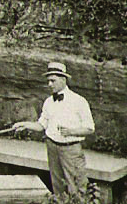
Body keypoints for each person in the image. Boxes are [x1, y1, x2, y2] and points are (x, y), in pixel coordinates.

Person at [15, 60, 94, 196]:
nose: (49, 84)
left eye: (53, 81)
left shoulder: (79, 101)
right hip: (52, 147)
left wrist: (72, 132)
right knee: (57, 184)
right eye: (48, 81)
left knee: (76, 184)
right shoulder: (48, 102)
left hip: (71, 150)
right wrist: (25, 125)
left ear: (63, 79)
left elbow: (90, 128)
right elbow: (41, 125)